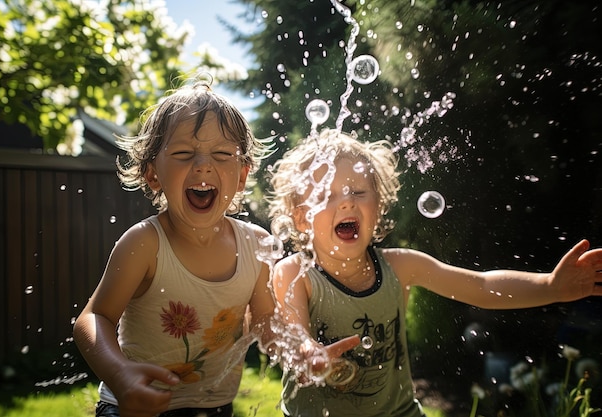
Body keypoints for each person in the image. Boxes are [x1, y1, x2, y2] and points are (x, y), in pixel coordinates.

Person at [267, 128, 602, 417]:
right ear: (300, 218)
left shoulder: (401, 266)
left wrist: (551, 286)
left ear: (378, 204)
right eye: (327, 194)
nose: (346, 203)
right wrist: (310, 356)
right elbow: (295, 336)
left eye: (358, 192)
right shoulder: (295, 273)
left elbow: (483, 287)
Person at [73, 77, 277, 417]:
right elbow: (94, 318)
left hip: (215, 407)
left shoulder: (257, 244)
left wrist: (303, 353)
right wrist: (120, 375)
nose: (202, 165)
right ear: (153, 175)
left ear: (241, 176)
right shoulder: (145, 244)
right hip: (133, 405)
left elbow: (266, 321)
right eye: (183, 153)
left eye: (222, 154)